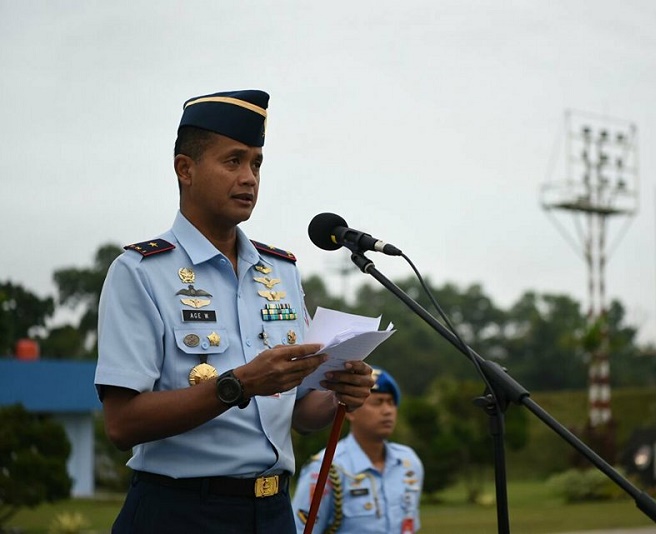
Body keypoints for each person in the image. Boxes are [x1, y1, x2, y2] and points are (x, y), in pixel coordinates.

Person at [94, 89, 375, 534]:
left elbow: (301, 413)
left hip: (272, 512)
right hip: (180, 512)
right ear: (185, 169)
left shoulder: (280, 272)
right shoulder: (141, 273)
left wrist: (339, 392)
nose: (249, 178)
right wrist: (239, 385)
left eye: (256, 164)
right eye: (233, 161)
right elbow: (122, 424)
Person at [293, 367, 424, 534]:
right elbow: (302, 529)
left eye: (391, 402)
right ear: (350, 411)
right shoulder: (326, 469)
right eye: (378, 402)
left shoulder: (409, 463)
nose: (387, 411)